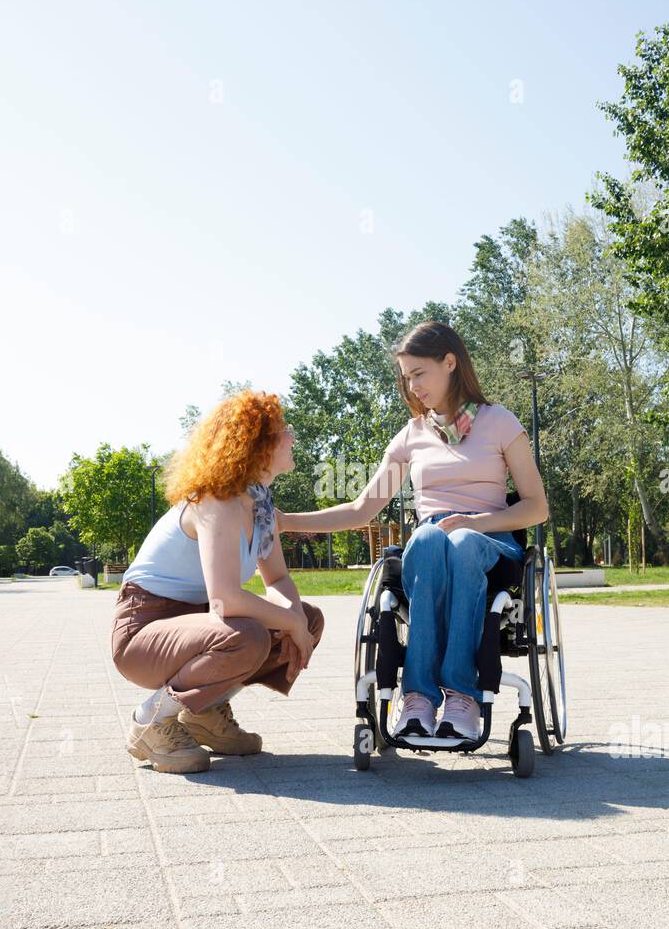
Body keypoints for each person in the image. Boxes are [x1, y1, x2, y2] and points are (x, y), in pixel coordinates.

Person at [277, 321, 547, 741]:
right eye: (406, 378)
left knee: (460, 541)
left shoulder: (500, 423)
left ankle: (462, 696)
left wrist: (477, 523)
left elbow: (536, 507)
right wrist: (286, 522)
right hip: (431, 542)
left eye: (418, 374)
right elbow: (363, 507)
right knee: (424, 537)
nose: (412, 386)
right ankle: (418, 698)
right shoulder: (412, 436)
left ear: (450, 362)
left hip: (489, 538)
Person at [110, 391, 324, 773]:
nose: (292, 437)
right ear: (256, 445)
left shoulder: (258, 503)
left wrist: (296, 620)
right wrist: (288, 623)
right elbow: (225, 600)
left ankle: (203, 713)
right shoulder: (217, 502)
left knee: (307, 618)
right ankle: (151, 721)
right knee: (249, 636)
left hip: (197, 626)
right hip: (143, 630)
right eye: (283, 431)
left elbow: (276, 577)